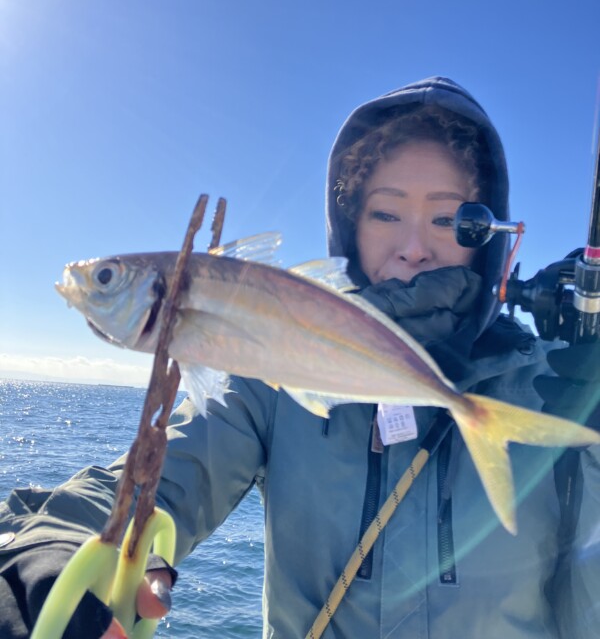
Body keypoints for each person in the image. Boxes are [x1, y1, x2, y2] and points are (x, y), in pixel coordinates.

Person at [1, 76, 599, 638]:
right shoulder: (271, 380)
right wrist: (53, 542)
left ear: (485, 234)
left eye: (448, 218)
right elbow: (162, 476)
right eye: (385, 213)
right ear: (349, 225)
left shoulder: (559, 388)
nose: (414, 247)